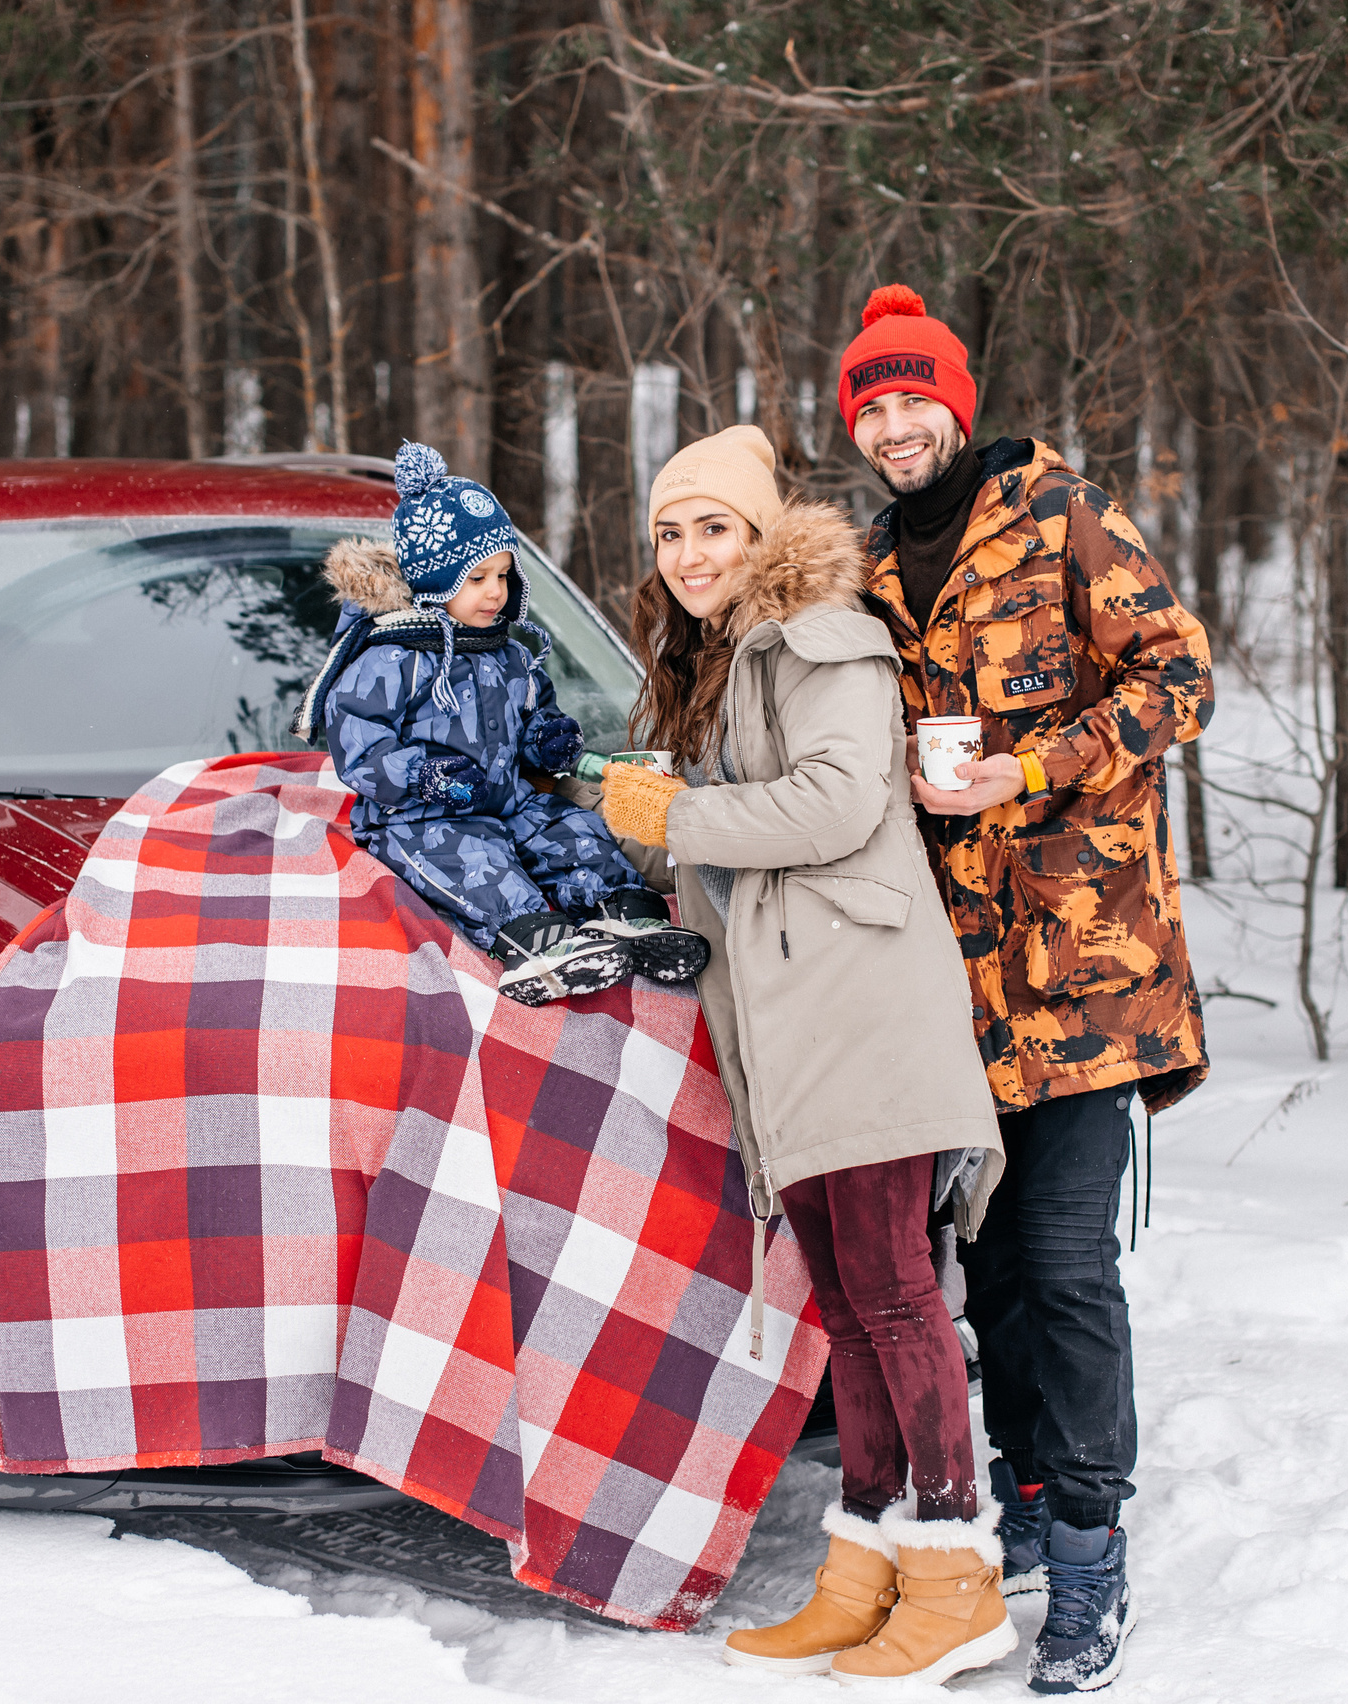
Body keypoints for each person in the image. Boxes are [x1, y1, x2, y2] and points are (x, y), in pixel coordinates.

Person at [839, 284, 1215, 1693]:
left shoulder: (1061, 516)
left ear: (959, 400)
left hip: (1092, 973)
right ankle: (1036, 1508)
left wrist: (1035, 766)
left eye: (912, 396)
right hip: (952, 991)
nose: (894, 423)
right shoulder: (874, 571)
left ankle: (1099, 1556)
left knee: (1063, 1265)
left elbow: (1180, 677)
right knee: (988, 1274)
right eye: (870, 405)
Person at [593, 424, 1011, 1688]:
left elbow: (836, 803)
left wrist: (681, 815)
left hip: (860, 1003)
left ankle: (957, 1575)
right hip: (791, 1014)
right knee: (846, 1304)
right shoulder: (723, 662)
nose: (687, 554)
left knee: (894, 1296)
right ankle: (869, 1564)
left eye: (713, 527)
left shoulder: (825, 636)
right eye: (669, 533)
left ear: (764, 532)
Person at [295, 441, 708, 1005]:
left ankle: (628, 917)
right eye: (477, 578)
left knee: (574, 833)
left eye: (504, 576)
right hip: (422, 818)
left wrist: (547, 738)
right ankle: (535, 940)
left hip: (510, 801)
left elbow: (535, 714)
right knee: (476, 860)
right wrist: (421, 777)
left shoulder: (508, 655)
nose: (496, 592)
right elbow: (359, 748)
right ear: (435, 578)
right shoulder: (389, 659)